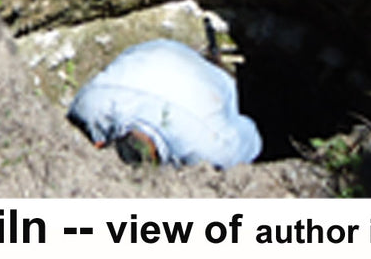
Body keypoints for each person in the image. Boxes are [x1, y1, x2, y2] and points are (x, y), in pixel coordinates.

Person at [67, 39, 262, 169]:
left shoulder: (204, 146)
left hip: (180, 64)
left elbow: (249, 141)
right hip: (157, 50)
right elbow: (252, 142)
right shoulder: (92, 105)